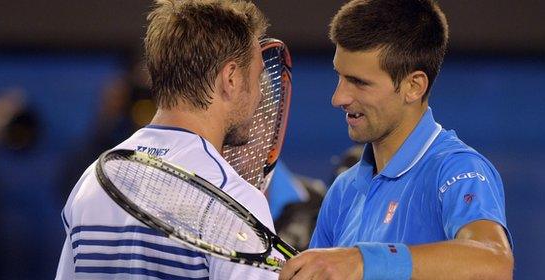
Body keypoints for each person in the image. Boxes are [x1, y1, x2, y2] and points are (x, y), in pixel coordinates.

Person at [279, 1, 513, 279]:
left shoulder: (457, 169)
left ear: (413, 86)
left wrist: (362, 260)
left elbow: (494, 262)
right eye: (339, 77)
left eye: (360, 82)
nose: (338, 98)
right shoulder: (342, 191)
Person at [55, 0, 278, 279]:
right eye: (257, 77)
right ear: (230, 78)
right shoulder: (235, 200)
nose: (258, 96)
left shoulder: (91, 183)